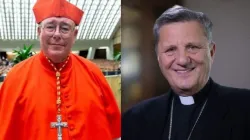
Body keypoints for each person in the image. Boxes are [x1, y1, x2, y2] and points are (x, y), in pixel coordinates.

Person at [122, 5, 250, 140]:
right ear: (159, 58)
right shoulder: (134, 119)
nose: (182, 60)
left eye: (192, 47)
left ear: (211, 53)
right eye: (170, 49)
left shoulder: (245, 107)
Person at [0, 0, 121, 140]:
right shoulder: (16, 77)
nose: (57, 34)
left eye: (64, 28)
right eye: (50, 27)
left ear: (74, 35)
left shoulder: (94, 73)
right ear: (39, 31)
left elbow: (115, 132)